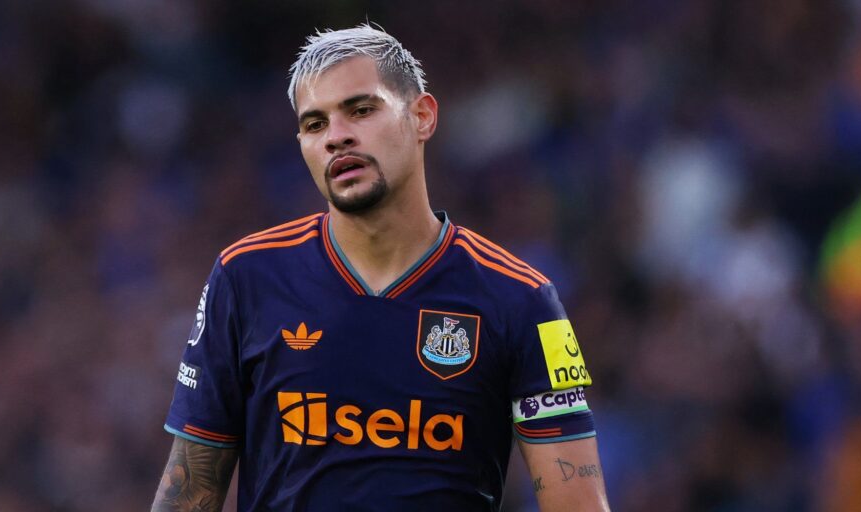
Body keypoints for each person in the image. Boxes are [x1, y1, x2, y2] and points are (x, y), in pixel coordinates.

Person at [152, 24, 609, 512]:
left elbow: (576, 502)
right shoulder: (245, 277)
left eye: (361, 110)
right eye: (314, 124)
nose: (336, 137)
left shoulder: (523, 299)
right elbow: (188, 491)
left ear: (422, 117)